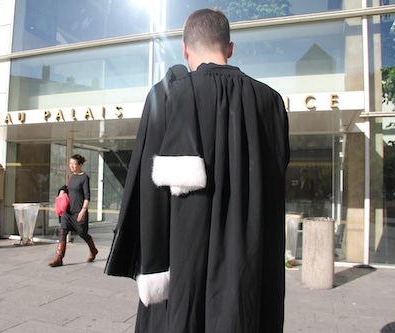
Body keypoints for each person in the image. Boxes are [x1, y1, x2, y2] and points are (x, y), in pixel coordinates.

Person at [104, 8, 289, 333]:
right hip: (250, 271)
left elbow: (150, 194)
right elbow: (274, 188)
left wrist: (153, 269)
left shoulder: (173, 95)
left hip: (186, 271)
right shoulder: (271, 103)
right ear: (230, 49)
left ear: (185, 48)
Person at [48, 154, 98, 267]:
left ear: (80, 165)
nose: (71, 166)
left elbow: (87, 196)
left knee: (82, 233)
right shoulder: (71, 176)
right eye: (70, 164)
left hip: (78, 211)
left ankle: (93, 250)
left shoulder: (84, 177)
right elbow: (67, 188)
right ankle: (59, 258)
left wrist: (83, 210)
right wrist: (62, 191)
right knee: (63, 232)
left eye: (73, 164)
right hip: (68, 211)